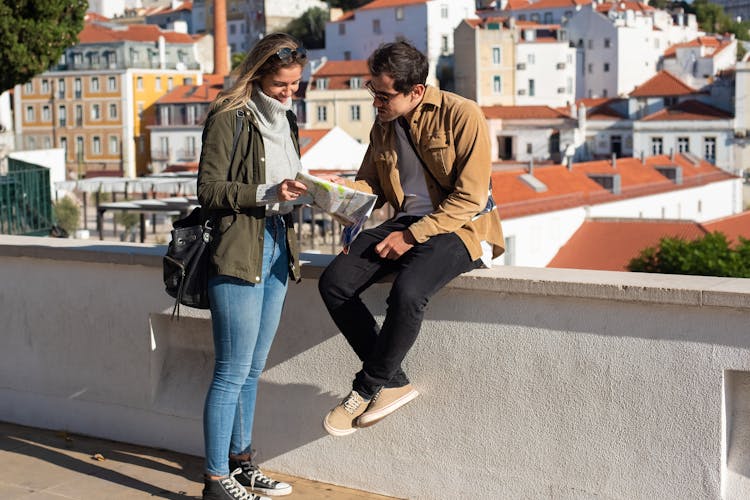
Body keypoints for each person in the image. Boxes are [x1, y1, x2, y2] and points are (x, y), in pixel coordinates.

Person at [318, 41, 504, 436]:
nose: (375, 102)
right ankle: (394, 383)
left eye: (383, 95)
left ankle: (366, 388)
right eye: (372, 90)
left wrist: (411, 235)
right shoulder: (382, 125)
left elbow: (470, 197)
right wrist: (338, 190)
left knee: (407, 291)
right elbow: (373, 185)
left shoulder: (462, 114)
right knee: (335, 282)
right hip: (407, 222)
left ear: (415, 91)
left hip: (461, 227)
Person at [197, 33, 310, 500]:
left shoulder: (287, 118)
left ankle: (242, 464)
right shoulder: (229, 116)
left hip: (279, 247)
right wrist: (268, 194)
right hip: (239, 250)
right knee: (231, 369)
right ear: (260, 73)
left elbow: (288, 179)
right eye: (282, 84)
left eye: (297, 85)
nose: (290, 93)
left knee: (253, 367)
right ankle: (215, 479)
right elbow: (208, 190)